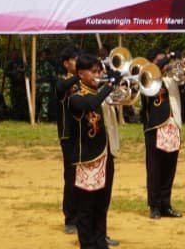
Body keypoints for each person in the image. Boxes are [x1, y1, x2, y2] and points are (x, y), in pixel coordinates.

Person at [67, 54, 117, 249]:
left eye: (99, 71)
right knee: (86, 206)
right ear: (80, 73)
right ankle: (87, 244)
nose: (98, 75)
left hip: (105, 154)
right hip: (87, 158)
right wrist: (109, 86)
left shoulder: (100, 93)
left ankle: (100, 240)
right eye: (93, 71)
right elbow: (90, 105)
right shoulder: (76, 96)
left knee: (102, 203)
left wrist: (118, 83)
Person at [142, 49, 183, 219]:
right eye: (160, 61)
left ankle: (166, 204)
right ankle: (154, 206)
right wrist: (166, 58)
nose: (165, 64)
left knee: (169, 168)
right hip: (156, 127)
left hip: (173, 125)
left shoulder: (170, 79)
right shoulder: (146, 78)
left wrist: (180, 65)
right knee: (155, 168)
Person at [54, 45, 81, 235]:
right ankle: (70, 218)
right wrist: (81, 75)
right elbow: (62, 88)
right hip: (68, 135)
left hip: (85, 134)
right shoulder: (62, 82)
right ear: (66, 63)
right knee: (71, 177)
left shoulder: (84, 82)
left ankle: (83, 216)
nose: (78, 61)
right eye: (74, 59)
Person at [4, 52, 30, 122]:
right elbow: (6, 72)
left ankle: (23, 117)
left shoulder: (22, 63)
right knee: (15, 102)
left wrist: (22, 71)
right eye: (14, 54)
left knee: (23, 102)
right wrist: (15, 72)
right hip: (14, 86)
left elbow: (28, 70)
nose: (16, 56)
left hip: (22, 86)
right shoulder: (10, 63)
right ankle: (16, 117)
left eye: (17, 54)